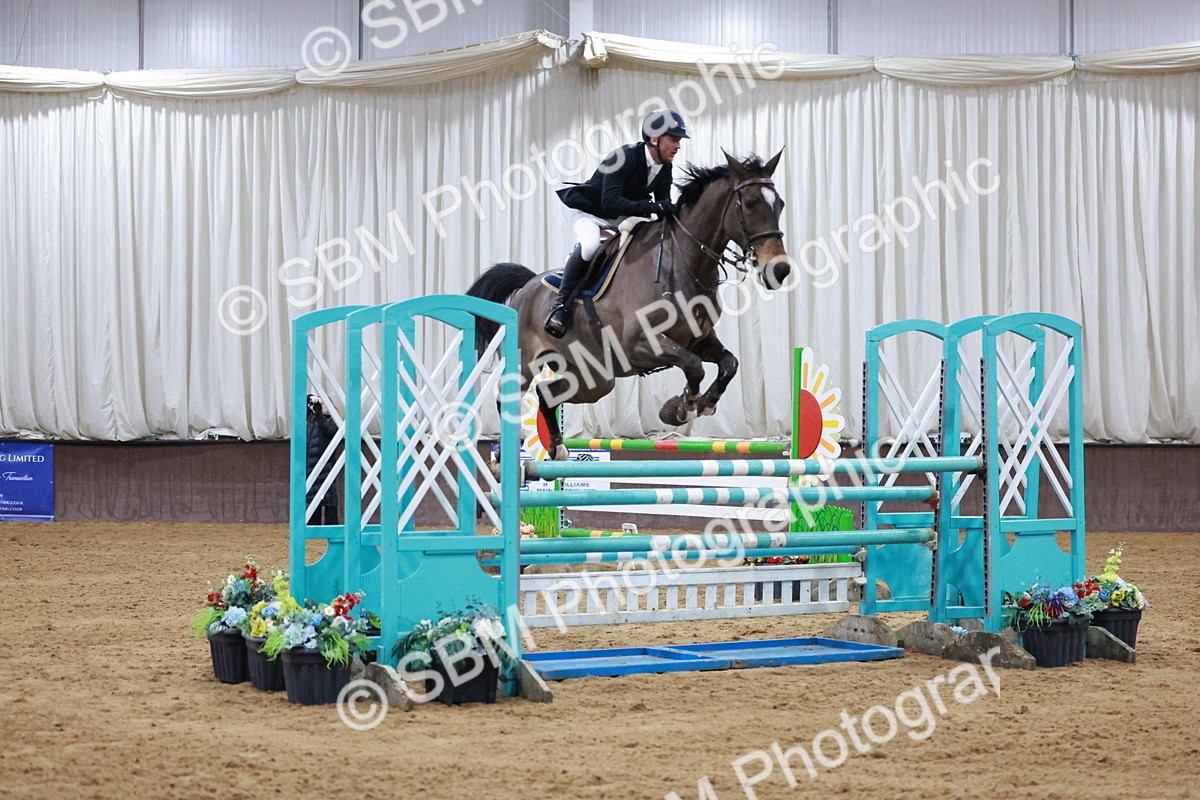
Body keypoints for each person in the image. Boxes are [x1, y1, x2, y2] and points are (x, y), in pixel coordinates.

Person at [545, 108, 689, 338]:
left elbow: (663, 201)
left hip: (625, 218)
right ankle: (560, 306)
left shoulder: (665, 167)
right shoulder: (622, 157)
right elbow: (611, 203)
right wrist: (651, 207)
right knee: (591, 246)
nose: (678, 145)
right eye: (673, 139)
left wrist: (674, 213)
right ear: (654, 138)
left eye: (679, 140)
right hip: (594, 215)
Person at [305, 395, 340, 526]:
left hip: (326, 464)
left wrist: (319, 414)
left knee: (329, 495)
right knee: (312, 495)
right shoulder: (311, 420)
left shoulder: (334, 421)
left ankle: (332, 524)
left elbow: (329, 431)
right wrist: (310, 399)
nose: (321, 407)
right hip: (311, 463)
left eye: (325, 405)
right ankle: (313, 524)